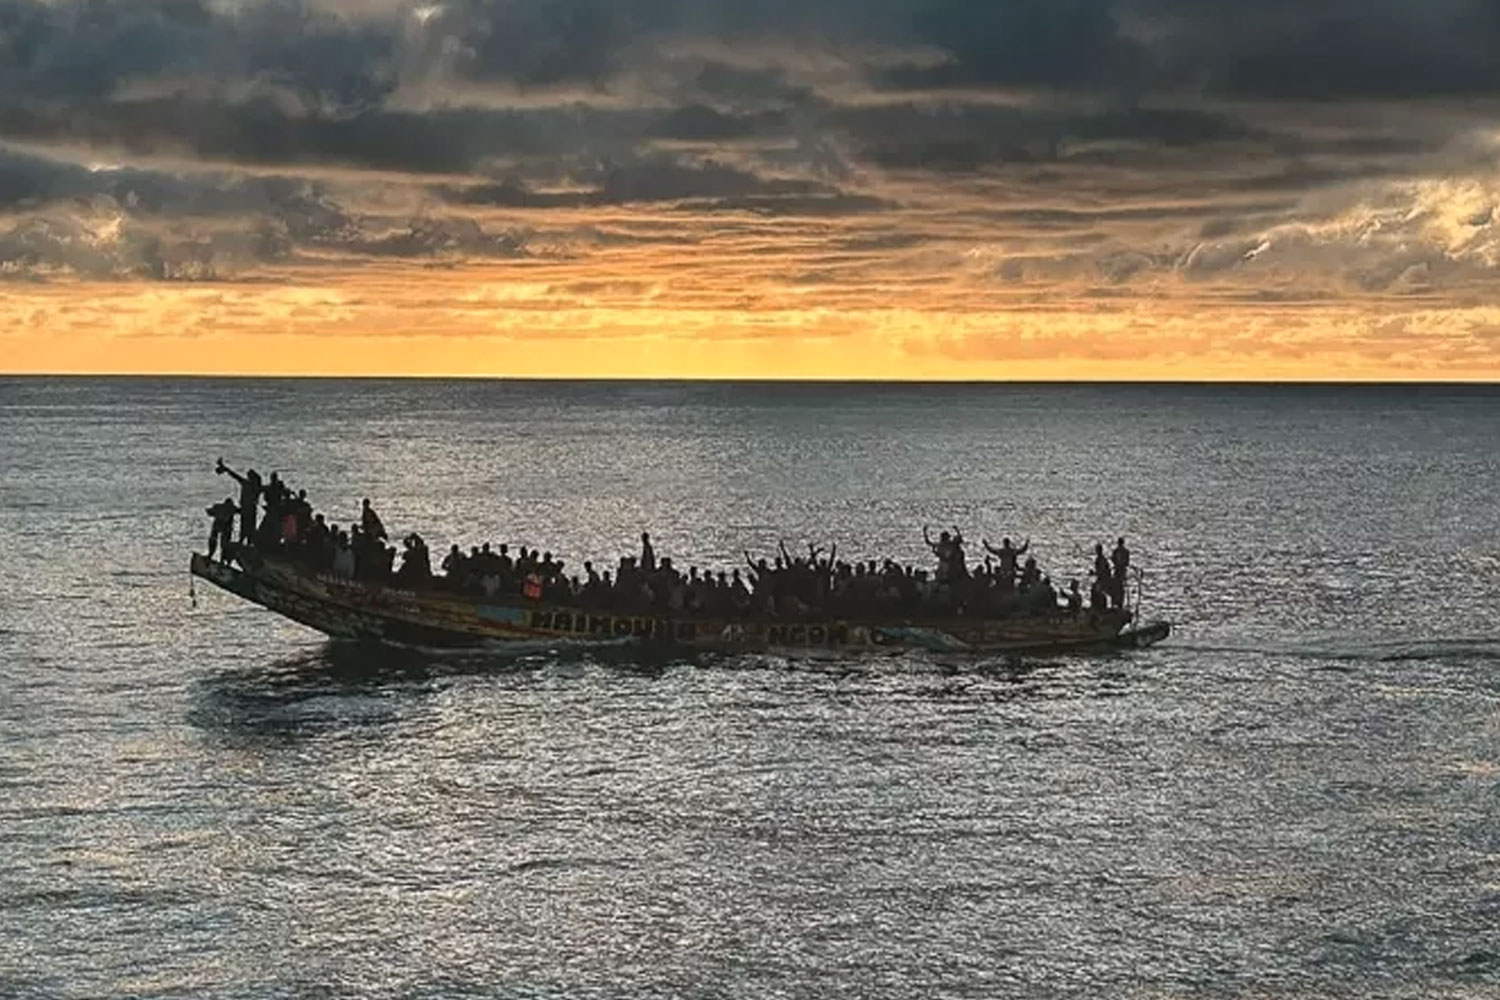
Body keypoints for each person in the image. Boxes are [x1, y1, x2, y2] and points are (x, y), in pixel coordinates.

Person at [215, 459, 261, 543]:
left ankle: (244, 542)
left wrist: (225, 468)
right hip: (250, 509)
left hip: (247, 509)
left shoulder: (247, 484)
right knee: (249, 528)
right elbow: (235, 476)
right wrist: (225, 468)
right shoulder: (256, 487)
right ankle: (247, 542)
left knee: (245, 528)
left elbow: (235, 476)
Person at [205, 497, 237, 561]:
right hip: (225, 528)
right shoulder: (232, 508)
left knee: (214, 540)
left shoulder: (218, 507)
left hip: (218, 526)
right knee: (225, 544)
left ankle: (210, 555)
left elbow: (209, 512)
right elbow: (240, 511)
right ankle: (222, 559)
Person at [1110, 537, 1131, 609]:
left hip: (1120, 571)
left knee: (1118, 587)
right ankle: (1118, 603)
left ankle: (1117, 603)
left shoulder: (1119, 551)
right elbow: (1127, 562)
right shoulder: (1124, 551)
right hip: (1120, 571)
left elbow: (1113, 559)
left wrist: (1118, 564)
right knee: (1118, 587)